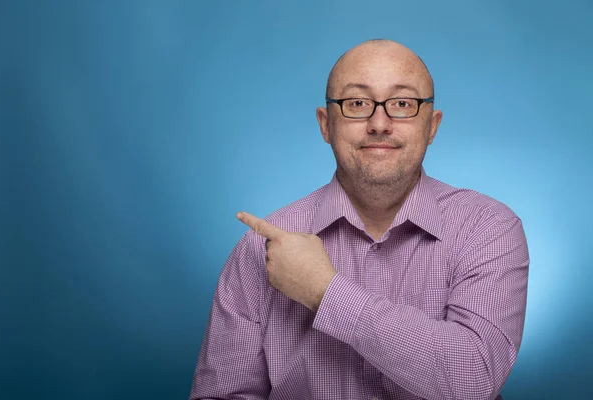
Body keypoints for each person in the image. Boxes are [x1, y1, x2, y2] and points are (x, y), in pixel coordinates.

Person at [190, 39, 529, 400]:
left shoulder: (488, 229)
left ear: (431, 125)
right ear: (326, 125)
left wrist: (325, 291)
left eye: (402, 104)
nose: (379, 123)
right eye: (357, 104)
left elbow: (473, 378)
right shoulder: (262, 246)